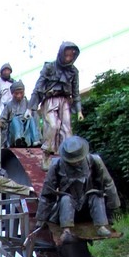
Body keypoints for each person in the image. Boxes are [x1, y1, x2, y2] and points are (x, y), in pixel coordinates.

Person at [35, 135, 120, 243]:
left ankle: (101, 226)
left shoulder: (94, 161)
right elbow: (47, 193)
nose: (76, 162)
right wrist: (41, 218)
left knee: (95, 195)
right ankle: (66, 230)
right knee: (66, 198)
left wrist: (113, 208)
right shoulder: (56, 165)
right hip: (66, 208)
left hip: (87, 207)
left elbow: (108, 183)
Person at [28, 41, 83, 170]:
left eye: (71, 56)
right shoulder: (50, 67)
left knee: (67, 130)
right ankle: (46, 155)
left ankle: (66, 158)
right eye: (66, 55)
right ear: (61, 54)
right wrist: (31, 107)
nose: (68, 58)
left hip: (65, 101)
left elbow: (76, 91)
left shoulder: (74, 71)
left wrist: (79, 110)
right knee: (53, 126)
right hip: (50, 100)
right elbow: (39, 87)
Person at [0, 80, 40, 148]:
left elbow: (36, 119)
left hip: (26, 129)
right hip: (13, 132)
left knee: (31, 118)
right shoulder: (9, 105)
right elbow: (3, 119)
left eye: (21, 93)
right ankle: (18, 140)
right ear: (12, 94)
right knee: (15, 119)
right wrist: (0, 123)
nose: (19, 96)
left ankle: (35, 140)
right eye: (16, 93)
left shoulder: (28, 104)